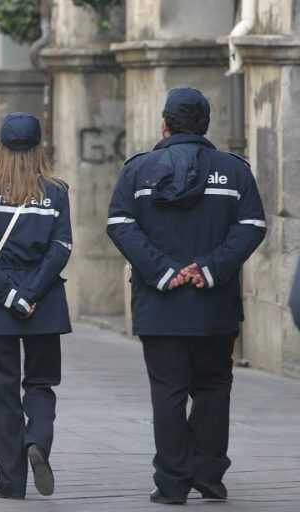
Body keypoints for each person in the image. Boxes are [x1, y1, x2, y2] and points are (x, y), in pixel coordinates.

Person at [106, 88, 266, 505]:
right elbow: (252, 226)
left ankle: (172, 483)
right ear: (205, 125)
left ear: (164, 124)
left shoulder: (138, 171)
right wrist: (209, 269)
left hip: (160, 305)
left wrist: (164, 272)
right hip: (215, 304)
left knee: (169, 392)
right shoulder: (233, 171)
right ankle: (209, 476)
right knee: (213, 387)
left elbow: (120, 224)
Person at [0, 112, 72, 500]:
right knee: (41, 382)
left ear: (0, 148)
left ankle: (11, 481)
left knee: (2, 391)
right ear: (40, 148)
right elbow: (61, 248)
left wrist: (10, 296)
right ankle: (37, 440)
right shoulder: (56, 192)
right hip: (45, 302)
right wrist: (32, 293)